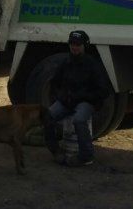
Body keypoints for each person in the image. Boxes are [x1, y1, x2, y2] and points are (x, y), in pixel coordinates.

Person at [43, 30, 109, 167]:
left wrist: (83, 97)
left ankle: (86, 156)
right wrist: (61, 96)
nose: (75, 47)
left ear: (85, 46)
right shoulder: (65, 62)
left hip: (86, 102)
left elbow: (103, 90)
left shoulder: (92, 65)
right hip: (68, 101)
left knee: (79, 120)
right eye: (72, 44)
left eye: (78, 44)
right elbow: (55, 82)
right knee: (47, 116)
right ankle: (56, 151)